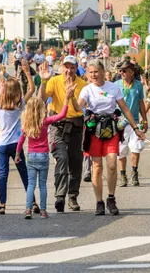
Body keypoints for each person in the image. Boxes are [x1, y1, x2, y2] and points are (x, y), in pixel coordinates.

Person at [77, 60, 144, 215]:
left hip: (111, 129)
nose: (93, 75)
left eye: (96, 71)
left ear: (102, 71)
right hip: (94, 130)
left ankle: (111, 198)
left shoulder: (113, 87)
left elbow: (125, 109)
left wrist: (136, 128)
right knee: (97, 167)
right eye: (91, 72)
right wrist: (70, 99)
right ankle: (99, 202)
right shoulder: (87, 90)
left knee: (112, 164)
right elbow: (78, 106)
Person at [39, 56, 87, 213]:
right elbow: (41, 99)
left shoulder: (83, 85)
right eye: (66, 67)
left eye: (72, 67)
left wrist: (71, 94)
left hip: (75, 126)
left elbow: (80, 108)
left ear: (76, 69)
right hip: (57, 126)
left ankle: (72, 196)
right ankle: (60, 196)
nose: (69, 70)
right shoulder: (54, 81)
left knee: (75, 162)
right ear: (61, 67)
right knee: (61, 158)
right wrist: (44, 81)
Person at [17, 90, 72, 219]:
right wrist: (66, 99)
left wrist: (17, 154)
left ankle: (28, 209)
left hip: (31, 155)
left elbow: (20, 141)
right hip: (43, 156)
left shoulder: (27, 124)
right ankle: (43, 211)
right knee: (42, 185)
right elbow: (62, 114)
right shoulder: (45, 122)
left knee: (31, 184)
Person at [0, 78, 37, 215]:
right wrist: (27, 73)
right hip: (16, 145)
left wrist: (1, 89)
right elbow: (32, 90)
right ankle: (32, 202)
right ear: (17, 92)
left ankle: (2, 205)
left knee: (3, 176)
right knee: (24, 174)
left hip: (2, 144)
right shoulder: (19, 105)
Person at [116, 61, 148, 187]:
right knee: (121, 150)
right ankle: (122, 175)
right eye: (121, 71)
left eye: (124, 71)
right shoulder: (116, 85)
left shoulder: (138, 85)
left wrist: (144, 120)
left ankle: (134, 172)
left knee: (136, 148)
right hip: (120, 122)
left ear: (132, 72)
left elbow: (141, 103)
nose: (122, 73)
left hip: (134, 121)